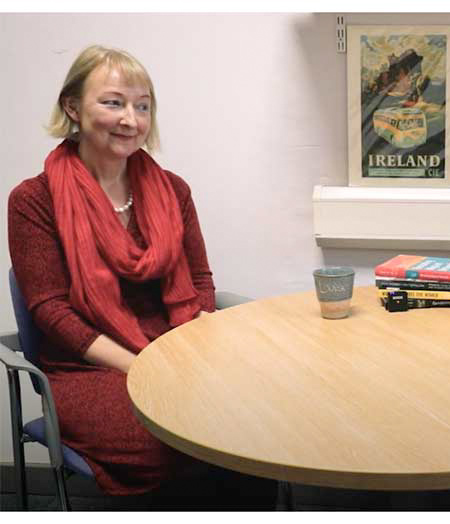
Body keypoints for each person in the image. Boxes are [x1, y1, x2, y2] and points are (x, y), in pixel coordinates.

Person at [7, 45, 275, 509]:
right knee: (166, 437)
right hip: (87, 368)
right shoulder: (33, 200)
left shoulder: (174, 190)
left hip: (176, 349)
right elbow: (51, 312)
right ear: (72, 106)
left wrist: (184, 354)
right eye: (113, 102)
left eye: (142, 105)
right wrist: (144, 366)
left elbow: (200, 280)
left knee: (252, 421)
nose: (131, 118)